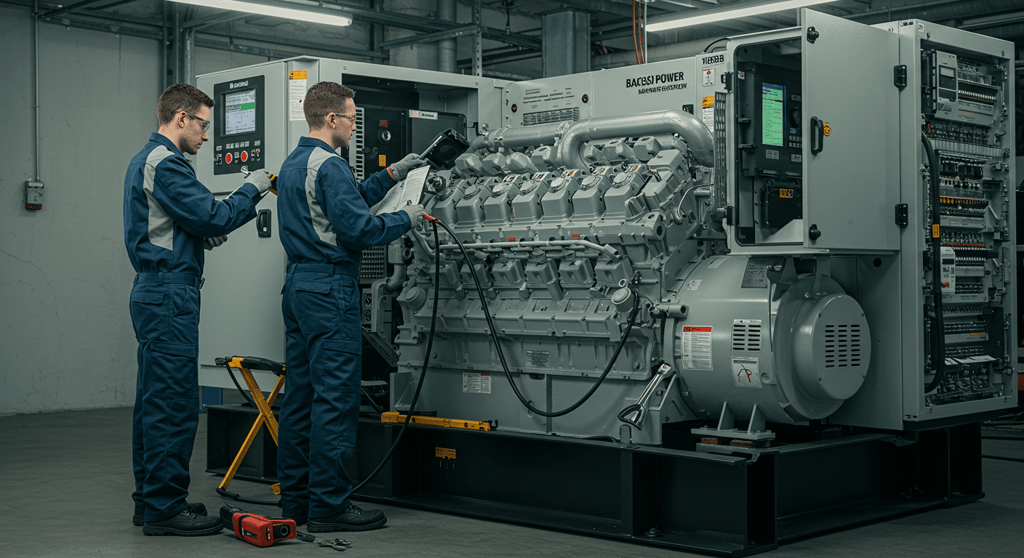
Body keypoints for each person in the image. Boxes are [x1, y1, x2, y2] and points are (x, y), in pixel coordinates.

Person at [123, 83, 274, 536]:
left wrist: (194, 234)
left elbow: (181, 221)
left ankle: (149, 502)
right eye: (204, 125)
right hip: (170, 293)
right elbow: (214, 215)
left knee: (154, 403)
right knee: (173, 404)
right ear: (182, 117)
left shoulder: (147, 161)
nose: (207, 136)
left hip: (158, 290)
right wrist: (255, 186)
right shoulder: (166, 163)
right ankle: (167, 508)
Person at [275, 81, 425, 532]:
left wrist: (394, 173)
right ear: (331, 119)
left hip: (298, 287)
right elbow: (357, 229)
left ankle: (297, 502)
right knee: (335, 400)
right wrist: (407, 218)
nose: (355, 123)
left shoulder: (296, 162)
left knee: (300, 399)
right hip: (329, 289)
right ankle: (329, 507)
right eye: (352, 116)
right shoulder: (332, 165)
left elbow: (341, 205)